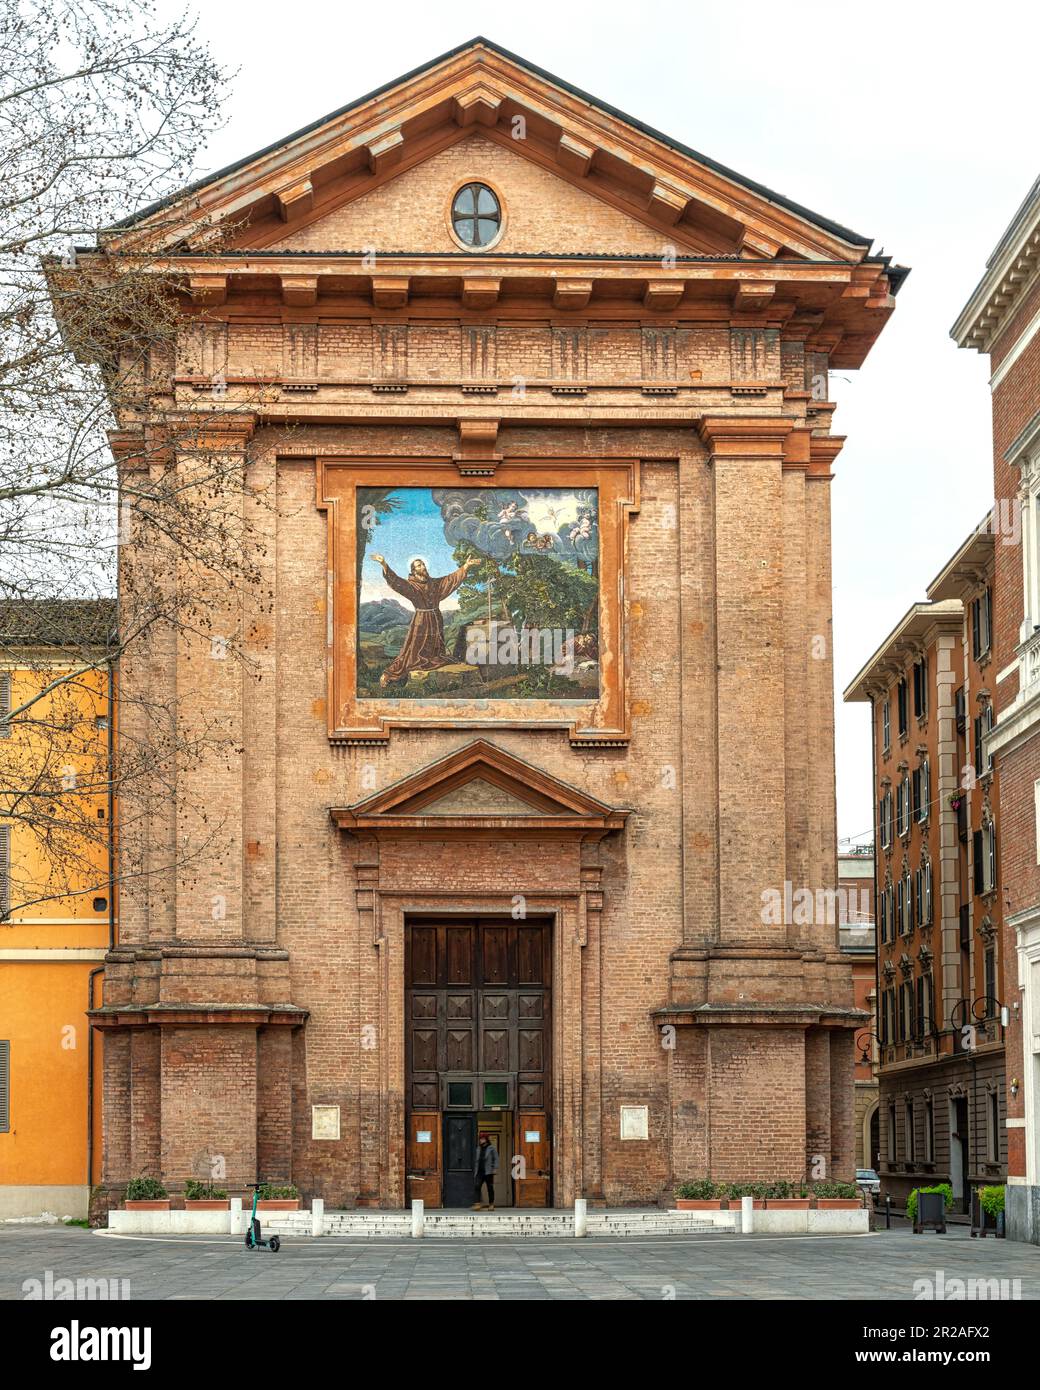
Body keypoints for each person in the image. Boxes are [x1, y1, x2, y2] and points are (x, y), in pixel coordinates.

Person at [370, 553, 481, 686]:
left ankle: (432, 660)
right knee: (414, 651)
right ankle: (391, 674)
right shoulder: (412, 586)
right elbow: (397, 582)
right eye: (419, 565)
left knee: (435, 653)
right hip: (421, 620)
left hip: (435, 619)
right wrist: (384, 564)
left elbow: (450, 580)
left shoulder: (434, 583)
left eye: (423, 564)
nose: (423, 567)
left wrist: (466, 566)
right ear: (414, 570)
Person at [472, 1132, 498, 1210]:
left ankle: (491, 1204)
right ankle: (477, 1204)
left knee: (490, 1188)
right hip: (479, 1171)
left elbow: (496, 1158)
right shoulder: (478, 1148)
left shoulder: (491, 1148)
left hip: (488, 1171)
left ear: (486, 1139)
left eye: (482, 1139)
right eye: (480, 1139)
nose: (481, 1140)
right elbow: (476, 1160)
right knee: (477, 1186)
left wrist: (495, 1168)